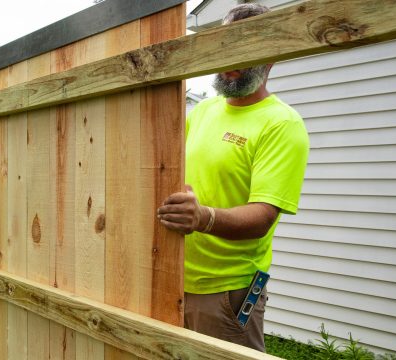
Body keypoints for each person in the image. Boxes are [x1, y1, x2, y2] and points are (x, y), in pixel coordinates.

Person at [156, 3, 309, 352]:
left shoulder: (281, 124)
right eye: (225, 46)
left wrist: (202, 217)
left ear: (271, 55)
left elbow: (262, 217)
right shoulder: (203, 111)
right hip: (173, 277)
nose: (231, 61)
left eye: (246, 47)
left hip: (228, 293)